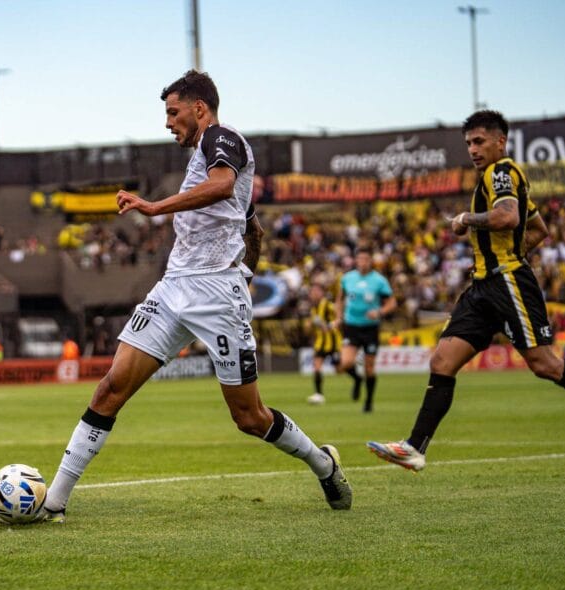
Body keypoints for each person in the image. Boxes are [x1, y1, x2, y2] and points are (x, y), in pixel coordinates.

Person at [38, 70, 351, 523]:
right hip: (174, 287)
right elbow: (253, 227)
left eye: (173, 111)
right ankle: (55, 502)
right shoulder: (203, 157)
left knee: (248, 417)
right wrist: (249, 270)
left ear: (199, 108)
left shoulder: (222, 139)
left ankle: (323, 463)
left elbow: (223, 186)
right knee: (111, 387)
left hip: (216, 295)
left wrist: (153, 207)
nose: (168, 123)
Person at [368, 110, 565, 470]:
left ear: (501, 141)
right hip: (483, 286)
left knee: (545, 365)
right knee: (442, 360)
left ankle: (415, 446)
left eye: (479, 141)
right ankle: (414, 448)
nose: (473, 149)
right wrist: (500, 252)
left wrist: (467, 220)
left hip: (508, 281)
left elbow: (508, 217)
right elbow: (538, 228)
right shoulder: (496, 178)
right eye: (468, 143)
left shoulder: (502, 172)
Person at [333, 248, 396, 412]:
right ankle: (357, 380)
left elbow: (392, 303)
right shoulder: (347, 278)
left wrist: (379, 312)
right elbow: (339, 300)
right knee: (346, 363)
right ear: (356, 260)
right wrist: (338, 317)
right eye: (359, 259)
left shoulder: (379, 280)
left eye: (366, 259)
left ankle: (368, 401)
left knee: (369, 367)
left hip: (370, 328)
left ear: (371, 260)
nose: (362, 262)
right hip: (351, 326)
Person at [306, 283, 341, 405]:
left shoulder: (328, 305)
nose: (313, 294)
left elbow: (339, 317)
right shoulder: (313, 309)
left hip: (334, 342)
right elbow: (314, 326)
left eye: (316, 291)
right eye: (312, 291)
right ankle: (318, 394)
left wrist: (333, 324)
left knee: (340, 369)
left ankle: (357, 379)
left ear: (322, 292)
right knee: (317, 366)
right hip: (321, 343)